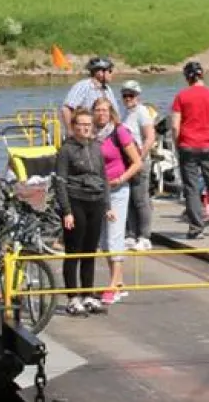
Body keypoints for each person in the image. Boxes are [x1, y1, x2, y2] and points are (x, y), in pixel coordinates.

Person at [53, 109, 114, 316]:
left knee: (90, 250)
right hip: (75, 199)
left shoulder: (96, 147)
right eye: (82, 124)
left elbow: (103, 177)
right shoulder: (66, 150)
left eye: (89, 124)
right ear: (74, 126)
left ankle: (88, 294)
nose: (86, 128)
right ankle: (73, 297)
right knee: (74, 251)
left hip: (95, 200)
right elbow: (60, 181)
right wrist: (67, 211)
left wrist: (107, 206)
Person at [170, 60, 209, 239]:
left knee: (191, 187)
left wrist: (177, 143)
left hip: (188, 146)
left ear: (187, 77)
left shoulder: (181, 96)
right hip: (208, 145)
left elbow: (175, 126)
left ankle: (196, 228)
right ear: (202, 75)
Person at [92, 97, 142, 306]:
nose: (101, 113)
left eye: (105, 110)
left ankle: (113, 285)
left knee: (115, 237)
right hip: (100, 191)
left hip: (118, 189)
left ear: (110, 112)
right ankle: (118, 282)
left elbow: (137, 162)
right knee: (104, 241)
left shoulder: (118, 131)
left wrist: (121, 178)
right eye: (98, 110)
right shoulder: (93, 134)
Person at [118, 80, 157, 249]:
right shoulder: (125, 113)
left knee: (141, 199)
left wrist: (141, 156)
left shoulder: (141, 112)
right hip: (126, 162)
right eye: (125, 95)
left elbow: (149, 137)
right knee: (129, 199)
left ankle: (145, 236)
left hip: (139, 161)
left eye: (131, 95)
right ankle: (131, 234)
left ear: (137, 96)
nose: (128, 99)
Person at [61, 56, 120, 137]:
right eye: (109, 71)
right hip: (89, 136)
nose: (112, 74)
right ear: (99, 72)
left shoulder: (108, 89)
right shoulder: (83, 86)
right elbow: (66, 109)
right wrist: (70, 131)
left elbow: (115, 113)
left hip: (107, 136)